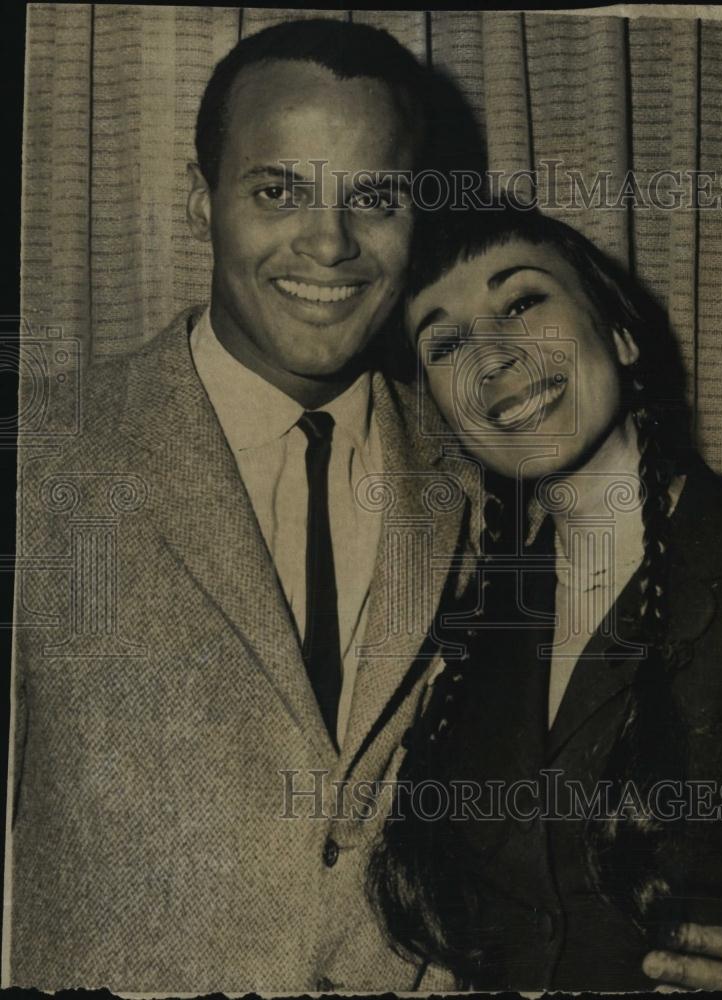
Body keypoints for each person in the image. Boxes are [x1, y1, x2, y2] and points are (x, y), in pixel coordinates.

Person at [6, 19, 484, 992]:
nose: (328, 242)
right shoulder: (41, 453)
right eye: (278, 191)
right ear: (203, 204)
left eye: (374, 198)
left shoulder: (486, 471)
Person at [369, 203, 722, 991]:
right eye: (445, 343)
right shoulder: (464, 626)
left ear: (619, 332)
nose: (491, 358)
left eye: (520, 303)